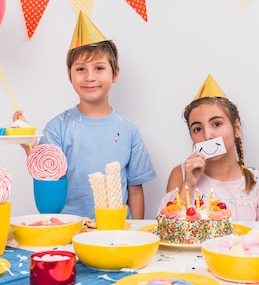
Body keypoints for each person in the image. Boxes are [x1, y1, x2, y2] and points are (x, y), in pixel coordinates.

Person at [14, 11, 156, 220]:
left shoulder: (129, 131)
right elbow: (48, 178)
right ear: (69, 75)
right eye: (81, 69)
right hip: (68, 229)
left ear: (115, 73)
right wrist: (30, 149)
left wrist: (137, 231)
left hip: (116, 231)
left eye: (99, 68)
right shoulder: (57, 128)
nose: (90, 77)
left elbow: (135, 189)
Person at [158, 74, 259, 221]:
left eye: (217, 124)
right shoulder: (180, 174)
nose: (207, 136)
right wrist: (188, 184)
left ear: (236, 128)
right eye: (197, 129)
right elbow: (166, 231)